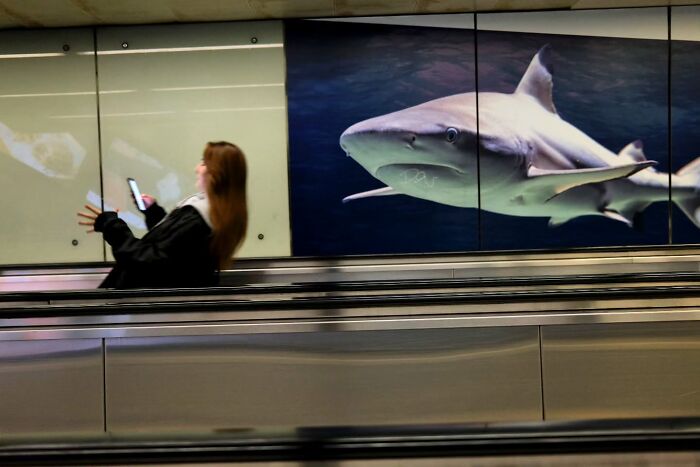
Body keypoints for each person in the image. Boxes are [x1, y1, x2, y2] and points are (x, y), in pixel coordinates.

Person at [77, 141, 248, 289]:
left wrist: (112, 226)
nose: (196, 168)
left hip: (144, 308)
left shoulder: (199, 219)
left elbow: (146, 262)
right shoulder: (211, 215)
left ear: (217, 174)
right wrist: (153, 212)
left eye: (203, 163)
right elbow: (174, 252)